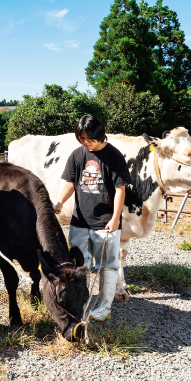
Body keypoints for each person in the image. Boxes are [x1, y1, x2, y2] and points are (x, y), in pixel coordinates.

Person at [53, 115, 131, 322]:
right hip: (80, 220)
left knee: (109, 264)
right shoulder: (77, 155)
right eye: (82, 138)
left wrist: (115, 218)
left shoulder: (113, 156)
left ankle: (105, 307)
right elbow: (70, 182)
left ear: (100, 134)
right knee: (80, 265)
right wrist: (60, 201)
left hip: (106, 222)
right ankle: (83, 303)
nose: (85, 142)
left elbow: (120, 189)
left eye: (89, 138)